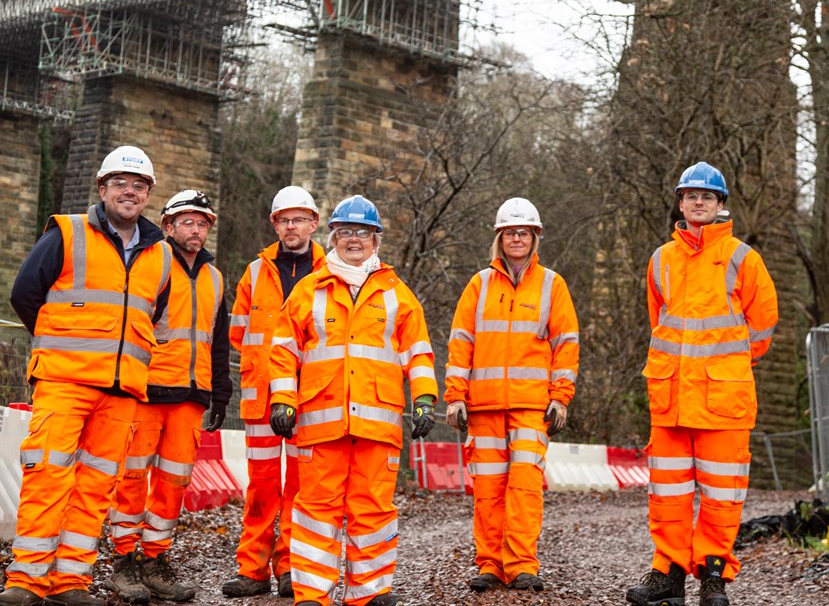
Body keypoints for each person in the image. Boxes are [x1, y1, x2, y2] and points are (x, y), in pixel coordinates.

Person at [0, 145, 172, 606]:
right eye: (120, 184)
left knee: (96, 486)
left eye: (139, 186)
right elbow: (24, 292)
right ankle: (26, 582)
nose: (129, 192)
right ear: (103, 188)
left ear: (148, 195)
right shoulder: (68, 233)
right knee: (48, 476)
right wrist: (60, 340)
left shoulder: (161, 255)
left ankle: (71, 581)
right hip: (64, 382)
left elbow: (153, 319)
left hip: (121, 392)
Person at [268, 194, 438, 606]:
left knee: (374, 509)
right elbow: (283, 349)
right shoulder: (310, 290)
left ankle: (370, 592)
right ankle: (312, 593)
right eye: (346, 232)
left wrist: (425, 398)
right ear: (334, 237)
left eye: (362, 232)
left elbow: (417, 351)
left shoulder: (398, 293)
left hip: (377, 423)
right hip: (321, 421)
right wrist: (283, 400)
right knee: (315, 511)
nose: (354, 240)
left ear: (376, 239)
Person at [626, 162, 778, 606]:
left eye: (707, 197)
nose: (698, 202)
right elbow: (660, 322)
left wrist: (727, 364)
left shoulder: (742, 258)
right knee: (668, 494)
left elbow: (764, 326)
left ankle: (713, 577)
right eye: (691, 195)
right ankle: (667, 576)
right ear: (680, 202)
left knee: (721, 494)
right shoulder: (661, 260)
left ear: (719, 205)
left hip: (723, 400)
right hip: (671, 398)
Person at [444, 197, 580, 594]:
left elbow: (566, 344)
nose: (516, 239)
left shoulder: (552, 285)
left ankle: (521, 564)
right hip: (483, 406)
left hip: (531, 406)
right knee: (488, 489)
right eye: (510, 233)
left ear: (535, 237)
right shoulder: (479, 284)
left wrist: (561, 397)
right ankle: (489, 564)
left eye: (523, 232)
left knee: (524, 487)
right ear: (499, 238)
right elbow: (460, 343)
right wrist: (455, 396)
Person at [107, 189, 232, 604]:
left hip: (191, 394)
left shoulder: (215, 278)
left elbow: (217, 342)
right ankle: (124, 560)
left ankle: (155, 559)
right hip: (147, 388)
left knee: (173, 483)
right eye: (187, 222)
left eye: (202, 223)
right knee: (131, 477)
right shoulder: (152, 263)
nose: (195, 230)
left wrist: (220, 393)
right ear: (169, 225)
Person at [222, 186, 326, 599]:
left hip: (311, 401)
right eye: (284, 219)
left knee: (302, 489)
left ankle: (291, 569)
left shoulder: (329, 271)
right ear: (274, 225)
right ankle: (253, 570)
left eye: (299, 219)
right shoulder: (255, 272)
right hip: (261, 397)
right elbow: (237, 333)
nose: (291, 226)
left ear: (314, 223)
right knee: (261, 487)